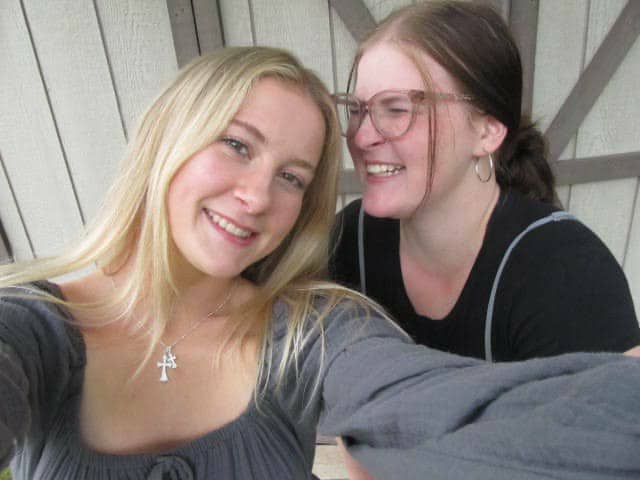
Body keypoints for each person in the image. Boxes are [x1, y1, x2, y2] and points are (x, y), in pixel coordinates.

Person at [0, 46, 639, 480]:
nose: (257, 196)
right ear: (168, 136)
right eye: (236, 144)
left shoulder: (314, 329)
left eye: (292, 177)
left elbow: (423, 400)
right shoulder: (31, 324)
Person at [329, 2, 640, 477]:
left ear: (487, 130)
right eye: (357, 110)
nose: (362, 136)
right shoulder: (351, 242)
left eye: (396, 109)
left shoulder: (566, 272)